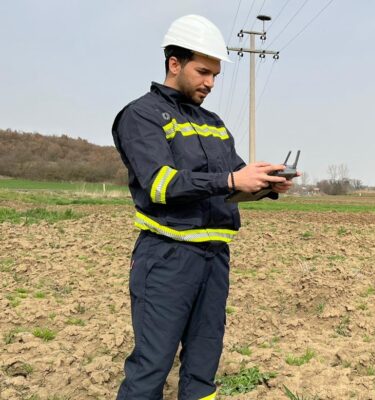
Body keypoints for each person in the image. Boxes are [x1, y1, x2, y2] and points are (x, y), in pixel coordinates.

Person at [111, 14, 296, 400]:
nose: (210, 83)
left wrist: (264, 184)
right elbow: (161, 184)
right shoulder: (140, 115)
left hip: (214, 259)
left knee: (202, 368)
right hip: (167, 257)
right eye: (202, 72)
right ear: (173, 64)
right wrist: (231, 179)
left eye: (215, 74)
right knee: (151, 367)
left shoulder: (213, 124)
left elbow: (231, 187)